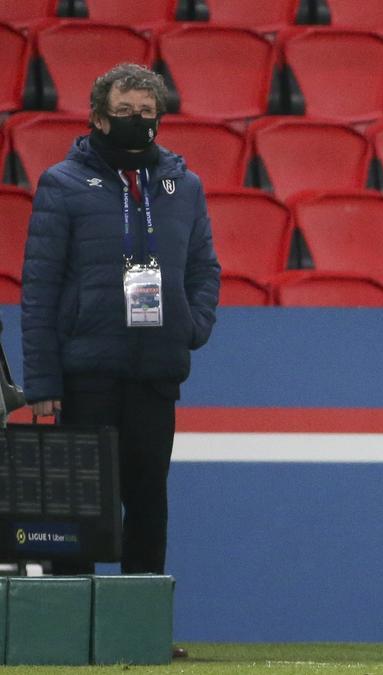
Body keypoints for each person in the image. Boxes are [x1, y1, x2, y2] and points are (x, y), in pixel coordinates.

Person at [20, 62, 219, 652]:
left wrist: (192, 323)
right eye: (125, 113)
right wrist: (42, 381)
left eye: (147, 113)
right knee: (79, 508)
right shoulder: (61, 184)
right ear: (99, 118)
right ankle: (64, 633)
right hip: (86, 371)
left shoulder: (184, 185)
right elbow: (40, 288)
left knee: (148, 501)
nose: (137, 122)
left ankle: (138, 632)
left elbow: (205, 267)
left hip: (156, 371)